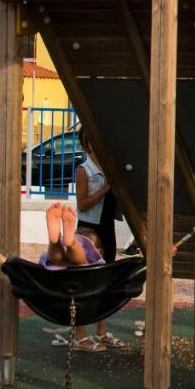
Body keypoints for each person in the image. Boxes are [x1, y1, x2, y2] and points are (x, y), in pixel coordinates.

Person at [0, 202, 109, 352]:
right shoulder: (99, 270)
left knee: (57, 258)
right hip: (84, 296)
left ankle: (56, 242)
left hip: (55, 296)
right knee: (82, 263)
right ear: (99, 251)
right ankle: (72, 244)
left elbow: (21, 272)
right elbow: (112, 291)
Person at [71, 137, 125, 349]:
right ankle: (80, 335)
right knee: (84, 280)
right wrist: (103, 190)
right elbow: (82, 205)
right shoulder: (84, 170)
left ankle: (101, 332)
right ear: (88, 145)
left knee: (106, 278)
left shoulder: (110, 167)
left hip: (106, 227)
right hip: (89, 228)